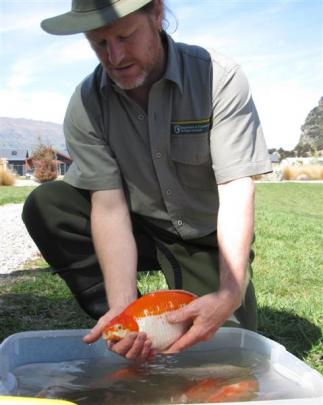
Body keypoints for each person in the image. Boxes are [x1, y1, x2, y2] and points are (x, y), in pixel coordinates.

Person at [22, 0, 272, 361]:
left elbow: (235, 190)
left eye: (126, 36)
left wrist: (229, 292)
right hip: (139, 225)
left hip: (205, 235)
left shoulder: (220, 78)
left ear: (156, 14)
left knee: (220, 356)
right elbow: (108, 206)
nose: (115, 57)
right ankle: (124, 321)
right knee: (47, 204)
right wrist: (126, 315)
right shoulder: (86, 103)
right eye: (99, 43)